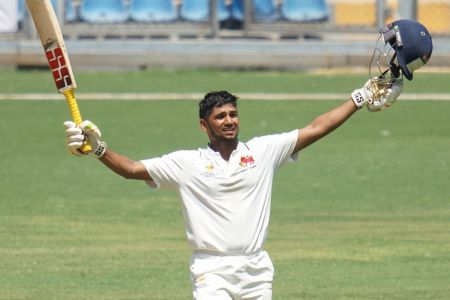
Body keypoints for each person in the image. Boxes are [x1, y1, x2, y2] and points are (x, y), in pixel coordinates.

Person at [64, 78, 401, 299]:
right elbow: (133, 170)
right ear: (204, 125)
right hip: (212, 270)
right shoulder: (187, 163)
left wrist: (359, 98)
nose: (229, 120)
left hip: (256, 269)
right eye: (220, 116)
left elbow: (316, 127)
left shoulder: (263, 151)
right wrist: (98, 149)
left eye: (233, 114)